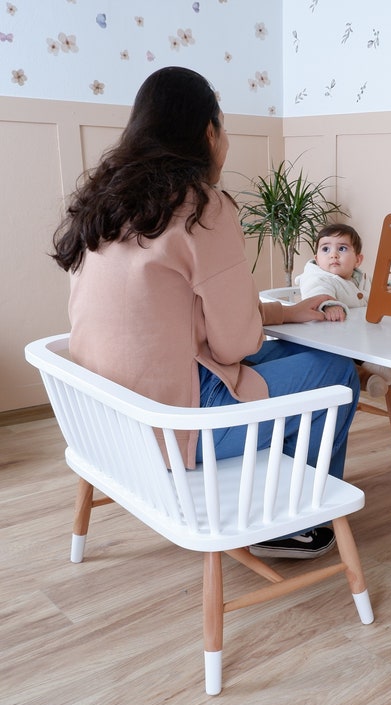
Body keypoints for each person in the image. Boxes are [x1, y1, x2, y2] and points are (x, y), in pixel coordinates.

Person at [50, 66, 358, 560]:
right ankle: (289, 521)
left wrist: (287, 312)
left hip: (109, 424)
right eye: (226, 128)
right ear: (208, 132)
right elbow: (235, 344)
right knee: (338, 375)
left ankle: (273, 497)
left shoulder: (103, 207)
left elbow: (180, 316)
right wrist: (258, 328)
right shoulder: (201, 206)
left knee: (278, 360)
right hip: (177, 427)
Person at [298, 223, 391, 397]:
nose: (333, 254)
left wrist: (389, 288)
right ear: (316, 258)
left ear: (357, 260)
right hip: (327, 346)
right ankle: (366, 378)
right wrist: (329, 305)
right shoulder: (317, 277)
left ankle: (372, 368)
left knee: (381, 346)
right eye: (325, 249)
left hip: (357, 342)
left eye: (342, 248)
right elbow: (316, 292)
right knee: (338, 361)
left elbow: (375, 289)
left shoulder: (360, 279)